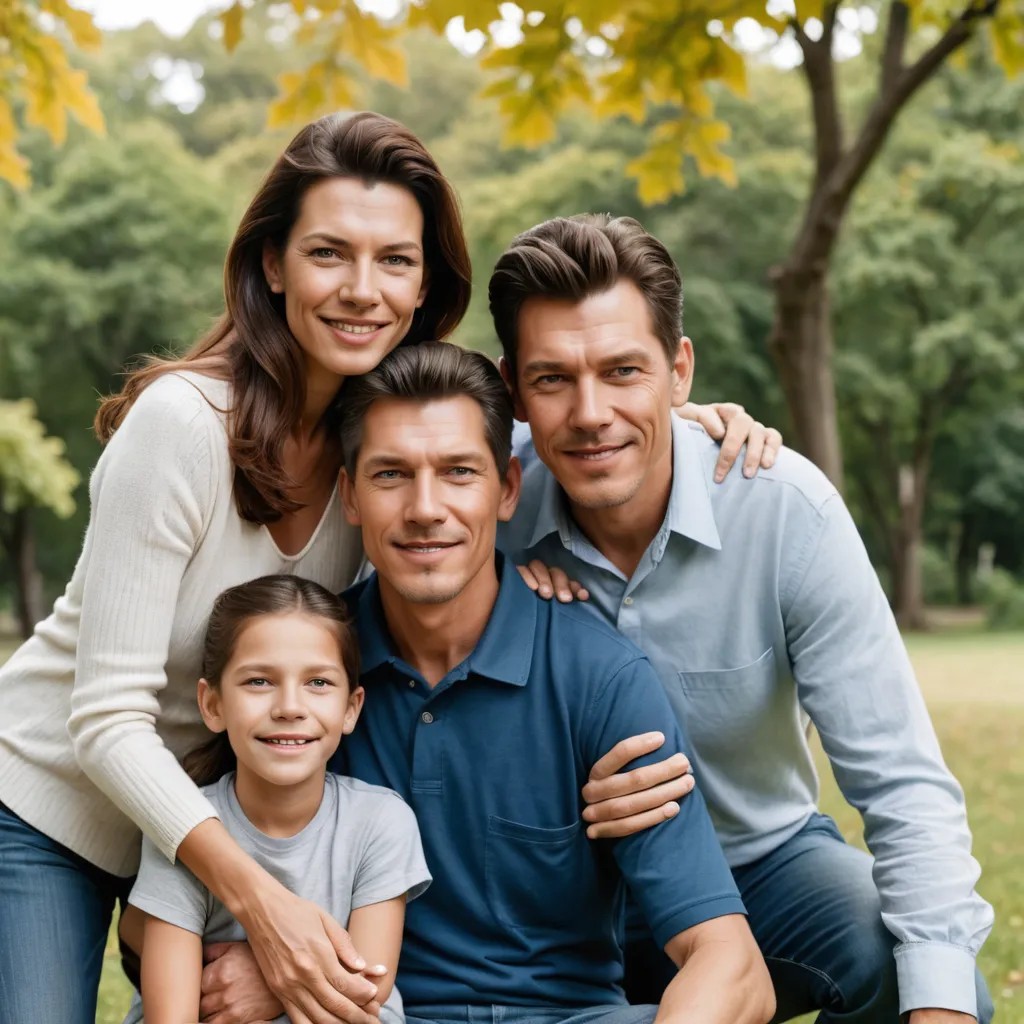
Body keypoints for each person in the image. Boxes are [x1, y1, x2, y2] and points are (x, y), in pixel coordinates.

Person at [0, 110, 770, 1023]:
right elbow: (105, 719)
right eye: (329, 253)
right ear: (273, 264)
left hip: (223, 811)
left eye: (395, 260)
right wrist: (264, 911)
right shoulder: (184, 426)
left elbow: (527, 436)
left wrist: (678, 418)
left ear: (423, 284)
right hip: (60, 803)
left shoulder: (369, 440)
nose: (362, 290)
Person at [489, 214, 995, 1024]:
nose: (591, 412)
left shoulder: (785, 512)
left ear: (679, 371)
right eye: (553, 379)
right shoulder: (473, 509)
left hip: (756, 873)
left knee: (918, 973)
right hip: (547, 895)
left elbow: (901, 778)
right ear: (514, 389)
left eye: (624, 371)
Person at [199, 341, 777, 1024]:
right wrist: (288, 966)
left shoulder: (601, 678)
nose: (425, 508)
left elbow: (733, 967)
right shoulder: (300, 676)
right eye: (391, 474)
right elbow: (173, 906)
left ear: (506, 489)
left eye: (458, 472)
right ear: (350, 495)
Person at [124, 574, 430, 1024]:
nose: (289, 707)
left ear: (351, 708)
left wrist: (271, 985)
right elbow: (172, 1016)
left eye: (318, 682)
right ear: (212, 705)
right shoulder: (185, 825)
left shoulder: (381, 822)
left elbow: (363, 993)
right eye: (259, 681)